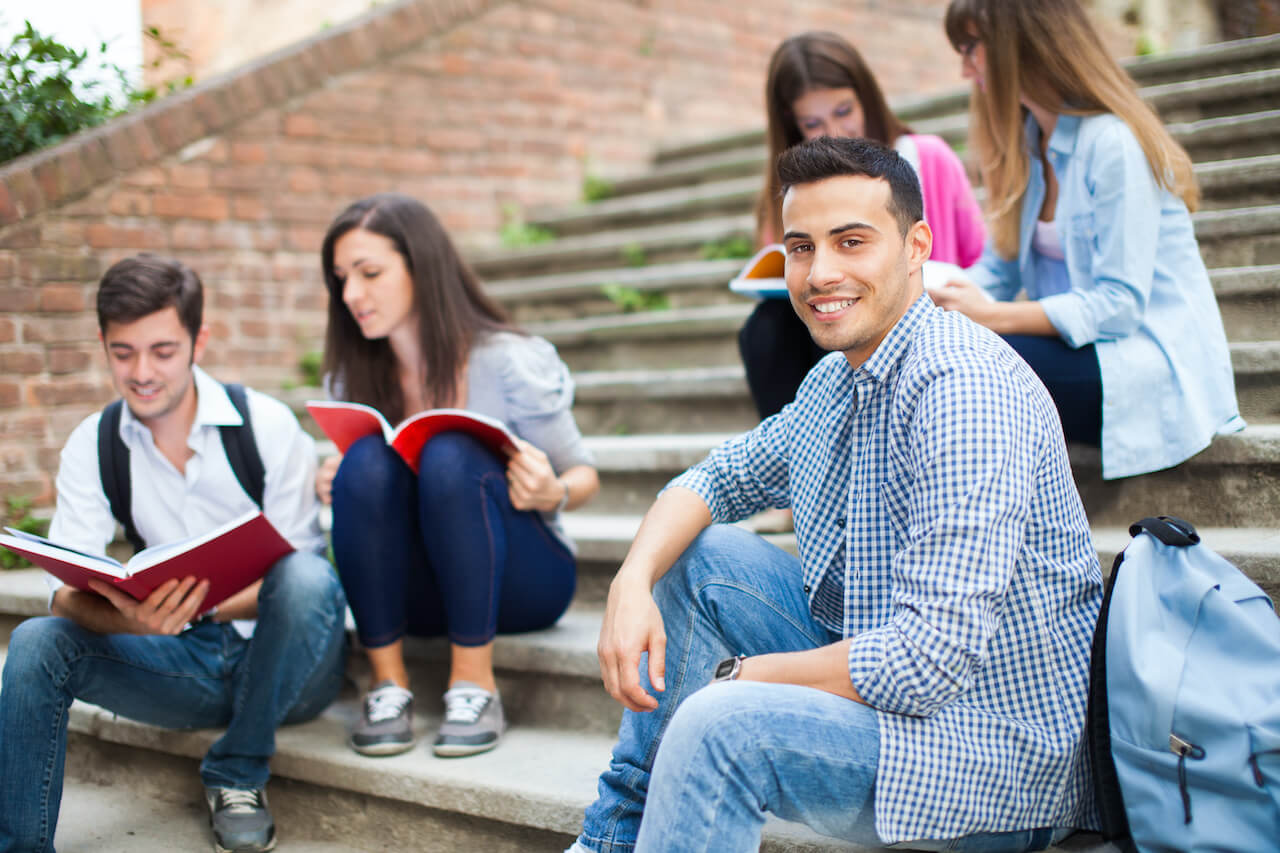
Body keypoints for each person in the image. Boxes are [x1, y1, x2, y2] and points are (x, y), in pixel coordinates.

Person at [567, 137, 1102, 853]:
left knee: (719, 723)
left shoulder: (963, 390)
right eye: (800, 247)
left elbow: (925, 661)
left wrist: (737, 677)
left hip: (998, 758)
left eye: (851, 241)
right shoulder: (834, 381)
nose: (820, 273)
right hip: (893, 693)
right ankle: (611, 840)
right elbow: (713, 480)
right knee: (696, 559)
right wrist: (631, 581)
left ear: (917, 246)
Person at [0, 255, 347, 853]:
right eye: (123, 352)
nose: (142, 373)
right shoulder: (96, 443)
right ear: (103, 344)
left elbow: (304, 584)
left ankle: (237, 770)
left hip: (290, 665)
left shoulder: (264, 425)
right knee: (35, 641)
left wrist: (197, 609)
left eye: (162, 351)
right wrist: (129, 618)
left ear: (197, 341)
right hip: (179, 664)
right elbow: (64, 595)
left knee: (307, 576)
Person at [316, 192, 600, 759]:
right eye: (341, 278)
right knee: (366, 461)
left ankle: (474, 684)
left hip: (522, 582)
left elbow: (583, 473)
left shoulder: (507, 358)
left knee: (449, 451)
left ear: (421, 267)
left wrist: (556, 490)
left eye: (370, 273)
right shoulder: (352, 377)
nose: (351, 294)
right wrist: (336, 479)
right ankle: (388, 687)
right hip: (417, 595)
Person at [932, 0, 1243, 479]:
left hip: (1141, 362)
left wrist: (989, 315)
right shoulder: (1025, 143)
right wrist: (929, 296)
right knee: (935, 343)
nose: (964, 66)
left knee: (974, 362)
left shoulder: (1113, 144)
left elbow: (1119, 306)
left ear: (1024, 43)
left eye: (972, 47)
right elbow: (998, 270)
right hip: (1078, 351)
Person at [740, 31, 986, 422]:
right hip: (826, 329)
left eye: (844, 112)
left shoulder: (928, 158)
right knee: (768, 327)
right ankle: (797, 447)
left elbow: (981, 257)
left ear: (865, 97)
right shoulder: (793, 189)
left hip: (914, 317)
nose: (835, 132)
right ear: (792, 123)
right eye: (813, 122)